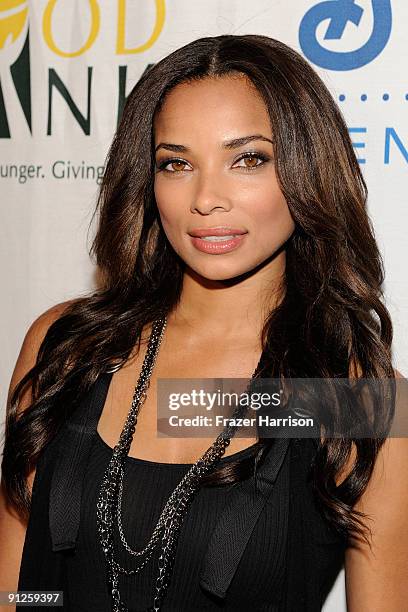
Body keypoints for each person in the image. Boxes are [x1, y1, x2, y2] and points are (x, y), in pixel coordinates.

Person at [1, 33, 407, 611]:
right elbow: (20, 588)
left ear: (306, 168)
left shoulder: (354, 398)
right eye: (177, 163)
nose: (206, 198)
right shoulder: (67, 345)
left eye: (248, 159)